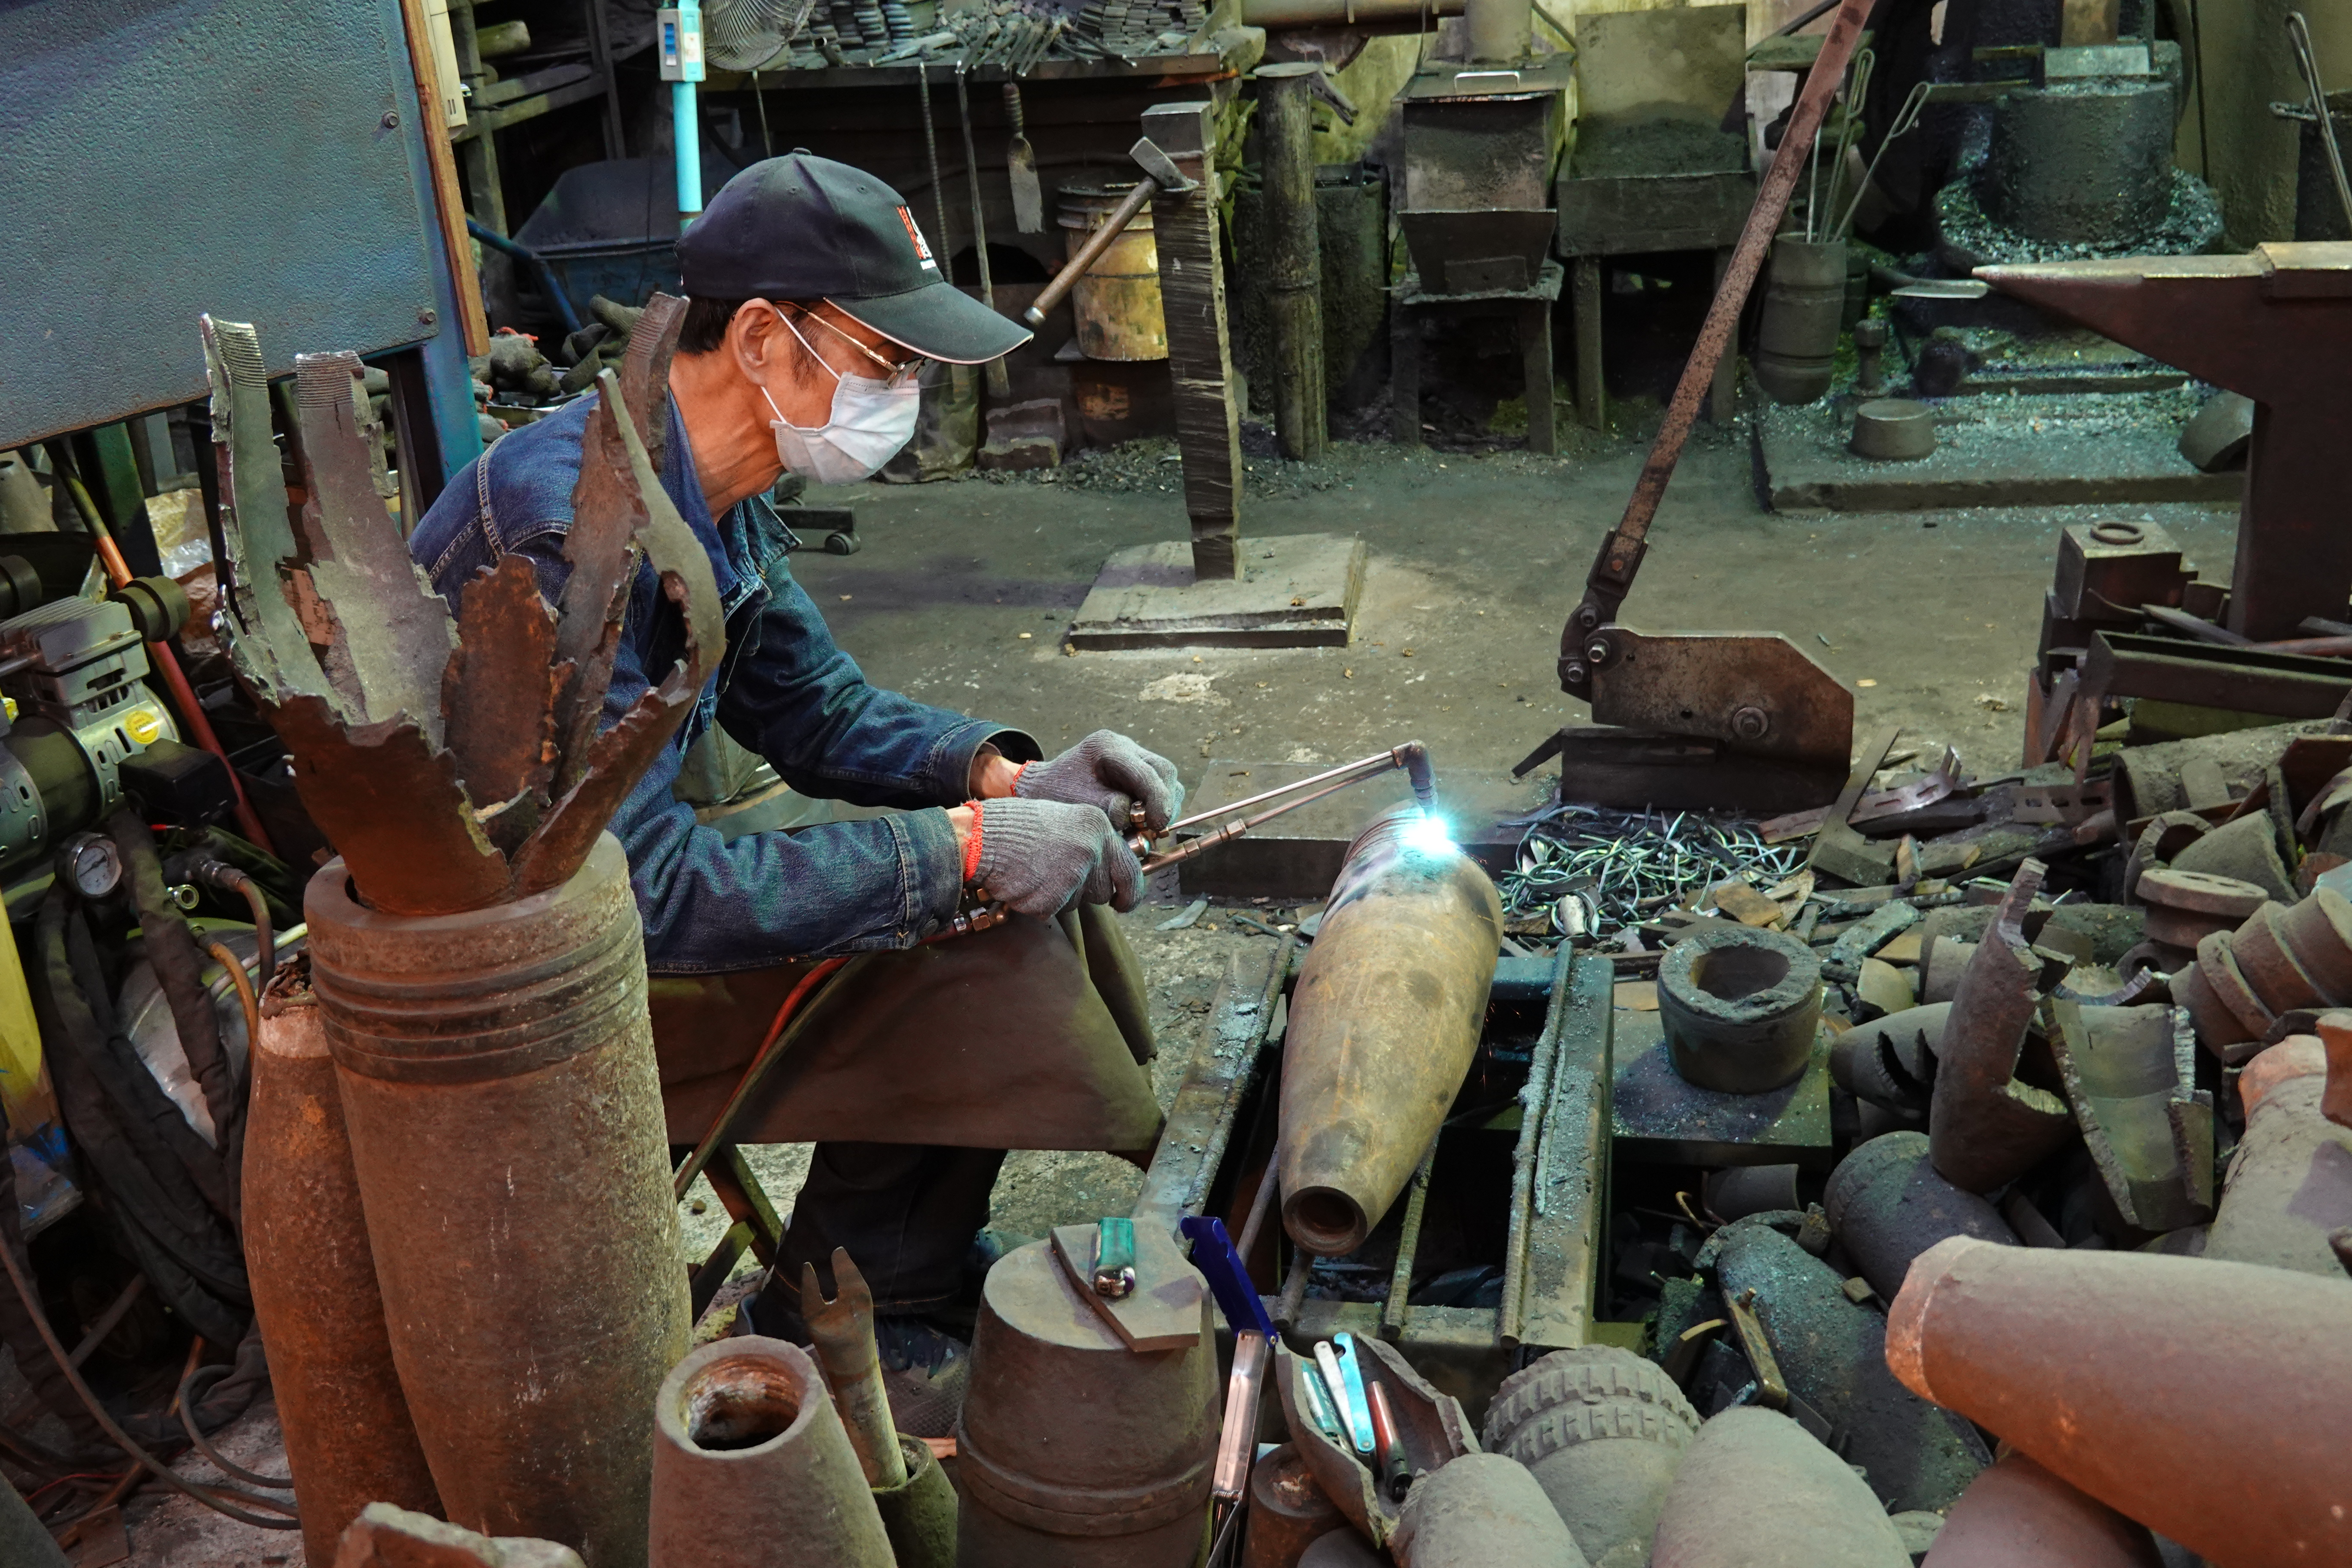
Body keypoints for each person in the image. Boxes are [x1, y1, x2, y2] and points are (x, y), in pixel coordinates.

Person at [407, 152, 1183, 1381]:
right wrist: (958, 853)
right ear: (766, 339)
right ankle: (833, 1315)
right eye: (889, 360)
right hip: (538, 973)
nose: (908, 394)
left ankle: (894, 1271)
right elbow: (643, 895)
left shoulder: (705, 480)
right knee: (962, 932)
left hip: (627, 890)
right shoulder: (570, 531)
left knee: (1011, 889)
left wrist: (1005, 781)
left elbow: (816, 709)